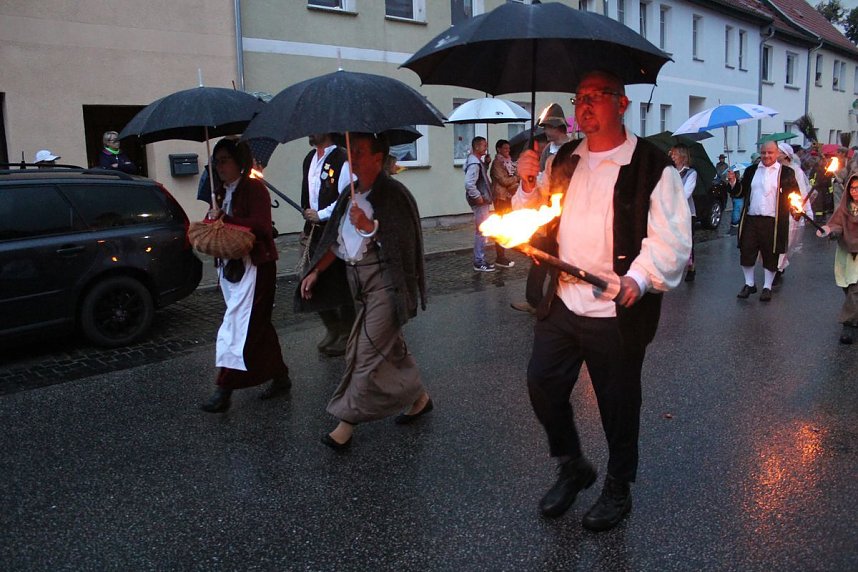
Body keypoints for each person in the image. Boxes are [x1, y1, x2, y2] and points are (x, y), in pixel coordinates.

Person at [515, 71, 691, 531]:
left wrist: (638, 277)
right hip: (564, 300)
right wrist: (530, 185)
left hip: (615, 310)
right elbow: (536, 222)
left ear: (623, 104)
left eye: (597, 96)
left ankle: (618, 486)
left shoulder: (653, 167)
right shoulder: (565, 160)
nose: (585, 105)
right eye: (580, 98)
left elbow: (670, 239)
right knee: (542, 383)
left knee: (618, 402)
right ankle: (573, 464)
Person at [298, 132, 431, 450]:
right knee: (392, 349)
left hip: (389, 286)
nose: (352, 157)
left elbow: (404, 245)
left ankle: (345, 424)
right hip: (362, 288)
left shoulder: (394, 194)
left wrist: (370, 226)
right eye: (350, 151)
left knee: (364, 352)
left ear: (378, 157)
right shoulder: (349, 194)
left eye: (359, 152)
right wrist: (316, 271)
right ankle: (420, 398)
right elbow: (336, 240)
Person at [199, 138, 291, 413]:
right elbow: (217, 226)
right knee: (258, 326)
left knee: (239, 328)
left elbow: (262, 227)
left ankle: (224, 389)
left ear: (240, 162)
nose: (220, 166)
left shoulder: (254, 189)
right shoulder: (220, 192)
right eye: (216, 162)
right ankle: (280, 375)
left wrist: (225, 220)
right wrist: (211, 221)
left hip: (256, 267)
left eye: (225, 160)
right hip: (230, 269)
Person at [510, 102, 571, 313]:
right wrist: (529, 181)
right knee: (539, 259)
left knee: (558, 265)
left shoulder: (572, 150)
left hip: (566, 222)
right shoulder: (548, 153)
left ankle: (551, 304)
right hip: (545, 219)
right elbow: (540, 186)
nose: (545, 131)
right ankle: (535, 301)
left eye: (548, 127)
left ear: (558, 127)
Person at [300, 133, 355, 357]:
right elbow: (308, 194)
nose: (310, 130)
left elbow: (346, 197)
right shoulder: (309, 159)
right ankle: (333, 328)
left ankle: (347, 333)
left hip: (335, 229)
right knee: (311, 281)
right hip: (314, 231)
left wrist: (322, 214)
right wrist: (307, 215)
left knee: (337, 283)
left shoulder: (342, 159)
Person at [730, 140, 800, 302]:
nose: (766, 156)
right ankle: (749, 284)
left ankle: (767, 287)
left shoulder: (786, 173)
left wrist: (796, 209)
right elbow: (740, 192)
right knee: (746, 251)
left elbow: (793, 196)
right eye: (763, 153)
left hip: (773, 222)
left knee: (771, 253)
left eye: (770, 152)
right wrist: (733, 182)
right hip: (751, 219)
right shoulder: (751, 170)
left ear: (777, 153)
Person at [816, 174, 858, 344]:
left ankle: (848, 324)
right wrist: (830, 231)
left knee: (855, 290)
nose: (856, 192)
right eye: (853, 188)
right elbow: (836, 225)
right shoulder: (844, 208)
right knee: (848, 288)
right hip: (846, 253)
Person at [775, 142, 814, 284]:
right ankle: (776, 266)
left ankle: (778, 269)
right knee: (773, 240)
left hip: (790, 211)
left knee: (786, 241)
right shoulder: (774, 169)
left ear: (785, 155)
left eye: (778, 151)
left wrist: (805, 211)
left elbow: (802, 192)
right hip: (775, 211)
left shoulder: (795, 171)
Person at [465, 136, 496, 272]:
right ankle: (479, 262)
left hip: (483, 200)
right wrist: (477, 196)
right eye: (484, 145)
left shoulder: (477, 162)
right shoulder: (474, 163)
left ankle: (480, 259)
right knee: (481, 230)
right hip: (480, 201)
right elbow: (469, 183)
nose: (486, 148)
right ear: (477, 147)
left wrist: (486, 164)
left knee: (482, 230)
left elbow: (479, 178)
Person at [669, 144, 697, 282]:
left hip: (686, 213)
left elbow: (686, 193)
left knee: (687, 241)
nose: (672, 156)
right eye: (671, 154)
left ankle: (691, 267)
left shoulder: (691, 173)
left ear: (682, 156)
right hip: (671, 212)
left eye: (675, 154)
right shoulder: (670, 171)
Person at [490, 138, 519, 269]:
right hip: (500, 198)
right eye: (505, 148)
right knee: (501, 227)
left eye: (509, 148)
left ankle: (502, 254)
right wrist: (517, 178)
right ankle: (500, 256)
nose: (508, 150)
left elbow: (512, 176)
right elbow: (504, 181)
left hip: (508, 197)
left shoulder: (509, 162)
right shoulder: (497, 163)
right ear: (499, 149)